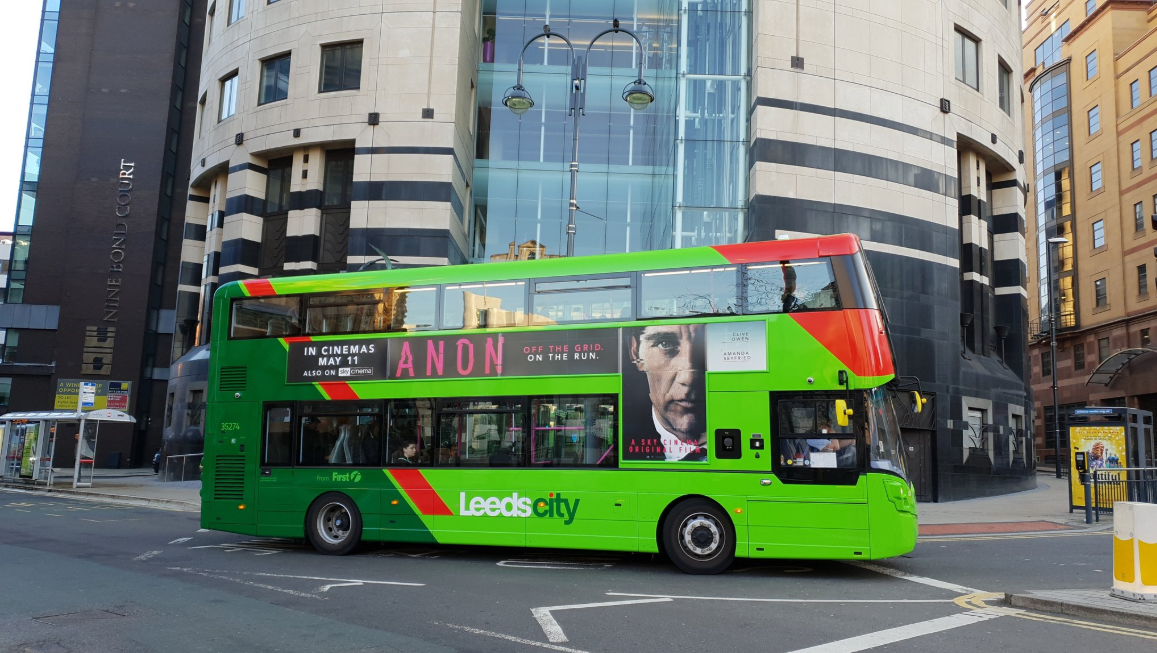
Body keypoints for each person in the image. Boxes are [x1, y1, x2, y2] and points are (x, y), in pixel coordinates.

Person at [624, 324, 707, 461]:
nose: (689, 377)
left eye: (706, 346)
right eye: (665, 343)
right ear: (635, 351)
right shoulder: (626, 436)